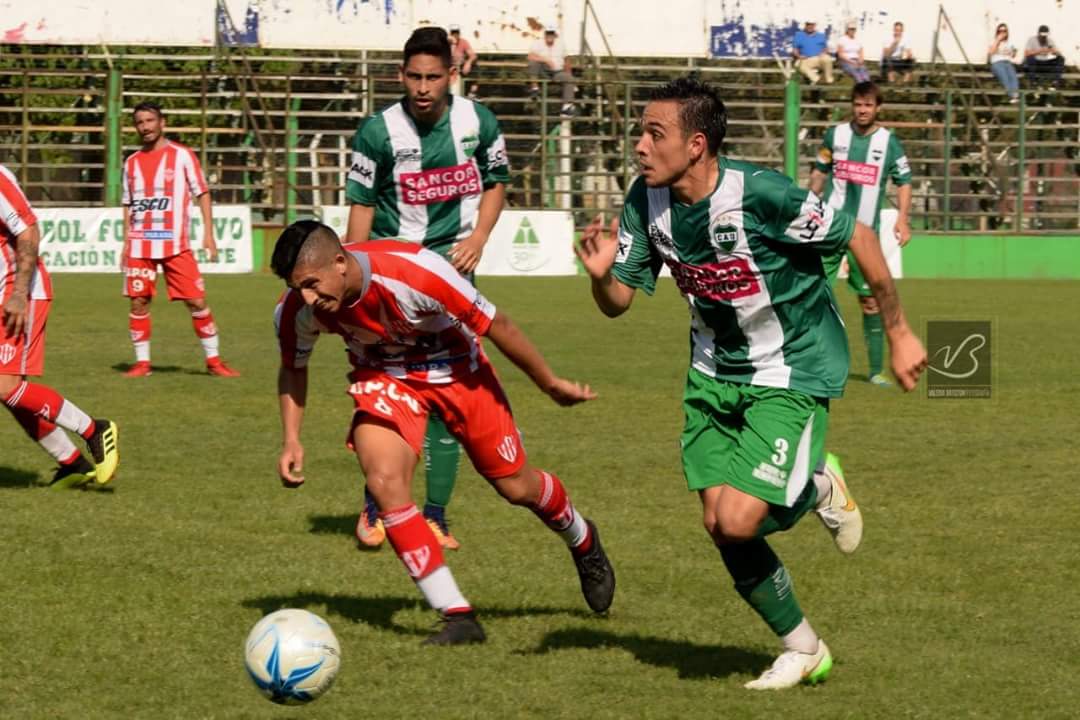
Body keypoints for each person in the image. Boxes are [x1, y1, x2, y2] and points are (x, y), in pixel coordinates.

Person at [575, 77, 926, 690]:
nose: (640, 145)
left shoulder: (760, 193)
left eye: (654, 133)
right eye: (640, 132)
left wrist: (898, 333)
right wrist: (602, 277)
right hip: (712, 374)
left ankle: (816, 486)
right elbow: (618, 303)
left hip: (789, 366)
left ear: (696, 145)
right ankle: (804, 648)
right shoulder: (644, 200)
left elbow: (860, 237)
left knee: (738, 521)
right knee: (719, 524)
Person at [271, 221, 616, 645]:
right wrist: (291, 438)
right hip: (386, 378)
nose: (307, 297)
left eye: (311, 284)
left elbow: (498, 325)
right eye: (298, 288)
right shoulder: (298, 309)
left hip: (459, 372)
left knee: (516, 487)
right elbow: (293, 367)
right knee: (384, 481)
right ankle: (457, 615)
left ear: (340, 262)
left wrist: (549, 383)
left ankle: (582, 538)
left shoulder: (416, 272)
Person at [345, 26, 510, 551]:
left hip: (454, 280)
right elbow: (361, 208)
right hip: (393, 283)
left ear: (451, 75)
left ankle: (436, 516)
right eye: (413, 77)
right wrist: (355, 285)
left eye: (433, 77)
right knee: (390, 392)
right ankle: (378, 504)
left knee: (447, 398)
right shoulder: (377, 132)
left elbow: (496, 183)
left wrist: (478, 237)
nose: (422, 87)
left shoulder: (479, 122)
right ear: (401, 75)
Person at [0, 164, 120, 489]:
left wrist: (19, 293)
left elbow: (28, 230)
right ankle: (71, 463)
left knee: (5, 386)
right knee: (11, 392)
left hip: (17, 292)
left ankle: (95, 429)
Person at [121, 101, 240, 378]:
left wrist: (208, 234)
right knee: (138, 302)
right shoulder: (131, 162)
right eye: (140, 122)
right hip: (140, 244)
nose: (145, 127)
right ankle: (142, 364)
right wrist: (126, 242)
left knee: (196, 301)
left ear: (162, 122)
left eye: (150, 120)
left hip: (176, 245)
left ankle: (214, 361)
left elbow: (202, 193)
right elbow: (128, 204)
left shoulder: (182, 156)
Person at [810, 82, 913, 387]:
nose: (862, 110)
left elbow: (904, 181)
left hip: (866, 234)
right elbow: (819, 171)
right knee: (813, 293)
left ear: (878, 108)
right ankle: (810, 362)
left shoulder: (888, 142)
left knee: (870, 301)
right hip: (831, 227)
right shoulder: (835, 135)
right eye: (858, 104)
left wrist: (903, 219)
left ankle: (875, 370)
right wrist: (807, 202)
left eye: (868, 105)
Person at [527, 24, 575, 117]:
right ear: (545, 34)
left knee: (569, 78)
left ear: (555, 34)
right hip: (543, 72)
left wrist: (570, 75)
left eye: (551, 33)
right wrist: (546, 60)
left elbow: (567, 60)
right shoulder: (537, 43)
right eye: (548, 33)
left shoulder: (561, 44)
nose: (549, 35)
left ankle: (567, 108)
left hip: (557, 72)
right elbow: (530, 56)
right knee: (533, 63)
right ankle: (534, 88)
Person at [791, 20, 834, 85]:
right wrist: (799, 56)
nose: (810, 26)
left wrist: (823, 53)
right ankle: (817, 80)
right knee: (797, 64)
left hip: (819, 58)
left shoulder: (821, 36)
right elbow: (795, 50)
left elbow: (826, 48)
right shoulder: (799, 35)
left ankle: (829, 80)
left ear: (814, 25)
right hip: (806, 59)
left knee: (827, 58)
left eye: (812, 25)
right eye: (808, 24)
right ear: (805, 25)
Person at [988, 24, 1020, 104]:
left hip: (1007, 62)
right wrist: (997, 40)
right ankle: (1012, 96)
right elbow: (991, 52)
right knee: (1004, 78)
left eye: (1004, 31)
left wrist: (1012, 52)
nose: (1002, 33)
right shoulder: (993, 41)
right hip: (997, 62)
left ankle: (1015, 96)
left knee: (1013, 78)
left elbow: (1013, 54)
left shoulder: (1009, 42)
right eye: (1000, 31)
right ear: (997, 32)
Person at [447, 24, 477, 97]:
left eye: (457, 32)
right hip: (448, 68)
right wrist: (453, 44)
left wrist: (468, 63)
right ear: (450, 34)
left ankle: (472, 93)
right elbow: (450, 56)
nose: (455, 35)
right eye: (453, 33)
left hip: (460, 68)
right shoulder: (446, 43)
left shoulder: (463, 42)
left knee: (475, 67)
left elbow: (473, 55)